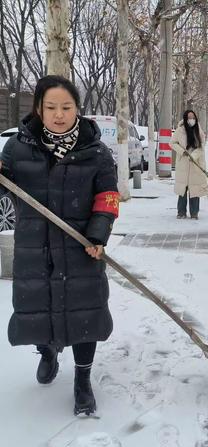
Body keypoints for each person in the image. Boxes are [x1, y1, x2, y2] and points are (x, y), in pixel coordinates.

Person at [0, 75, 119, 416]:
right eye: (50, 107)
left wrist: (98, 235)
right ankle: (47, 351)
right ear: (38, 108)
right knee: (38, 308)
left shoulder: (94, 152)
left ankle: (83, 380)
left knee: (85, 313)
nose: (58, 114)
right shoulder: (18, 148)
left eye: (66, 107)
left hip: (81, 247)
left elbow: (108, 196)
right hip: (35, 249)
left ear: (77, 109)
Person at [171, 110, 208, 219]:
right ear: (185, 119)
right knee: (183, 189)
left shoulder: (199, 131)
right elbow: (172, 143)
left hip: (196, 164)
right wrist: (182, 151)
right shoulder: (180, 130)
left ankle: (194, 213)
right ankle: (181, 212)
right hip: (183, 163)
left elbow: (201, 146)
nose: (191, 120)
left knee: (195, 189)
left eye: (193, 117)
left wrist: (193, 156)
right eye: (189, 117)